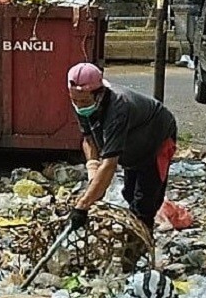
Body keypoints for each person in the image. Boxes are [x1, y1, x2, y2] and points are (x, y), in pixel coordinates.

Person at [67, 62, 177, 231]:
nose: (79, 106)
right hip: (131, 146)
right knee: (129, 193)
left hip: (156, 140)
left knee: (144, 203)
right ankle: (135, 231)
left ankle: (139, 249)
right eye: (75, 100)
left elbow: (110, 163)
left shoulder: (118, 107)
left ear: (99, 94)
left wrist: (83, 205)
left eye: (84, 101)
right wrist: (92, 169)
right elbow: (88, 139)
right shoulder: (81, 104)